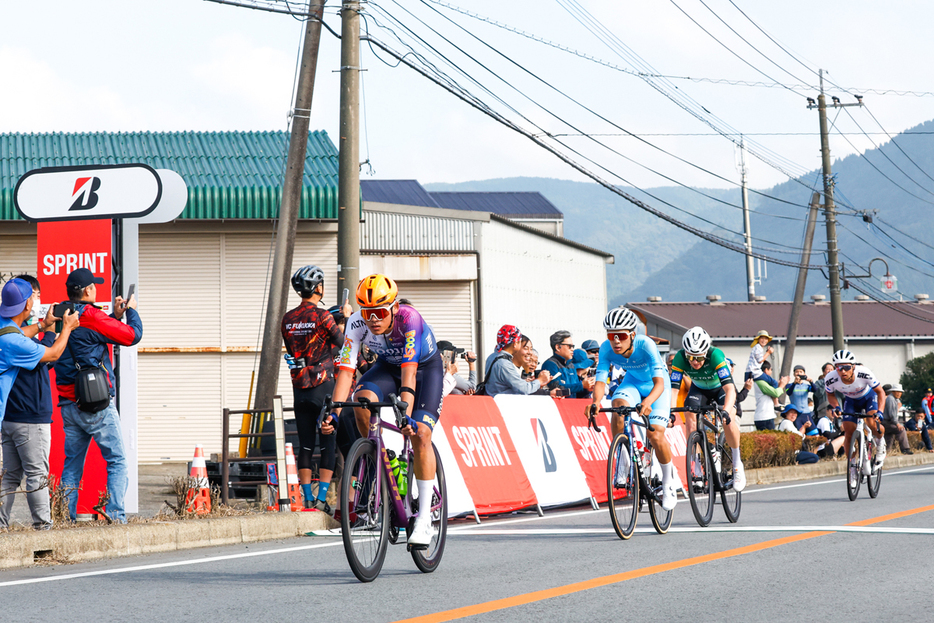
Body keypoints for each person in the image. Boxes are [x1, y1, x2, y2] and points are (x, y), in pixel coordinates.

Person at [328, 274, 443, 547]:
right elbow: (346, 371)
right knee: (361, 398)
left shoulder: (409, 319)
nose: (374, 320)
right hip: (388, 368)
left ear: (393, 308)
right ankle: (381, 457)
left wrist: (406, 416)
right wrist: (333, 412)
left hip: (424, 370)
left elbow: (410, 373)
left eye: (380, 312)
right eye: (368, 313)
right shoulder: (356, 324)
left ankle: (424, 519)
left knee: (421, 434)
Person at [54, 268, 142, 524]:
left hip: (68, 404)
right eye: (94, 286)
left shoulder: (62, 313)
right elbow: (131, 336)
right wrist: (131, 311)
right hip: (95, 406)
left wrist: (115, 316)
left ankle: (64, 518)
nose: (96, 289)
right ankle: (115, 515)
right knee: (117, 460)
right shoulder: (91, 315)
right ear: (88, 291)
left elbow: (94, 336)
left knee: (71, 465)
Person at [0, 276, 79, 530]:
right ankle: (43, 530)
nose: (37, 301)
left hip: (8, 418)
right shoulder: (14, 342)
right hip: (29, 419)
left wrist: (44, 324)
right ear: (25, 305)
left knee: (10, 476)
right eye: (34, 296)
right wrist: (65, 328)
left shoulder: (5, 330)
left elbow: (18, 334)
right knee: (36, 475)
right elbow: (53, 354)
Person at [586, 307, 678, 510]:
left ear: (632, 334)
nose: (615, 341)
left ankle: (668, 481)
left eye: (620, 335)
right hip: (633, 382)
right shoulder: (606, 349)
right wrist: (595, 403)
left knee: (655, 434)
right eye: (611, 335)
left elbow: (660, 384)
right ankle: (623, 460)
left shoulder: (646, 345)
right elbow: (601, 381)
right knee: (618, 405)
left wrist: (648, 402)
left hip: (657, 386)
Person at [281, 265, 350, 513]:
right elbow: (343, 346)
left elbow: (294, 351)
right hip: (324, 386)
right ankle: (322, 500)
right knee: (328, 442)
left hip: (300, 387)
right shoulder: (323, 316)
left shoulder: (287, 319)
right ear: (318, 287)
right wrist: (346, 320)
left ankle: (307, 498)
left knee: (306, 445)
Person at [669, 326, 746, 492]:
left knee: (729, 419)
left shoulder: (716, 355)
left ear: (706, 352)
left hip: (720, 389)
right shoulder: (680, 358)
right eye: (691, 357)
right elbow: (674, 390)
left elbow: (730, 389)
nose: (694, 362)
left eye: (699, 358)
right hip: (699, 389)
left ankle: (737, 463)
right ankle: (696, 467)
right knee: (689, 413)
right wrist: (670, 413)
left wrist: (725, 411)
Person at [824, 349, 887, 478]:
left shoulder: (864, 373)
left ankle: (881, 444)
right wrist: (836, 407)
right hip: (851, 401)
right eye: (838, 368)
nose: (842, 371)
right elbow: (830, 394)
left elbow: (881, 392)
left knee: (871, 422)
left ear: (853, 366)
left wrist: (880, 412)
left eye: (846, 368)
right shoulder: (831, 378)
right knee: (848, 431)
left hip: (869, 397)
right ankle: (852, 466)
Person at [486, 334, 551, 397]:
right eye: (525, 348)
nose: (530, 352)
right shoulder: (505, 364)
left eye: (531, 349)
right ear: (515, 346)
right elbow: (524, 390)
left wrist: (527, 383)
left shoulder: (494, 357)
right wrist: (539, 381)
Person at [543, 330, 595, 398]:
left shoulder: (571, 365)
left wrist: (587, 389)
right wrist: (581, 385)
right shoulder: (550, 364)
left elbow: (576, 393)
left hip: (571, 405)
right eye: (569, 346)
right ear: (558, 347)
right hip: (558, 406)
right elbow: (557, 389)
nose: (572, 349)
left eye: (573, 346)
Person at [752, 361, 788, 430]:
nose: (771, 372)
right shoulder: (760, 382)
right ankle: (776, 405)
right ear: (766, 370)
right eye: (771, 369)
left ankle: (776, 404)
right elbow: (775, 393)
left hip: (766, 416)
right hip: (764, 417)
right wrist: (782, 385)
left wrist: (779, 384)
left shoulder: (764, 382)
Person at [880, 383, 913, 456]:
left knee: (889, 436)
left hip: (886, 422)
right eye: (897, 391)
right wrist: (897, 424)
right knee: (901, 430)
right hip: (887, 422)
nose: (899, 393)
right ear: (893, 391)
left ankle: (886, 452)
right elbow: (892, 415)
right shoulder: (891, 399)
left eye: (900, 392)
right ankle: (905, 449)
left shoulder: (893, 399)